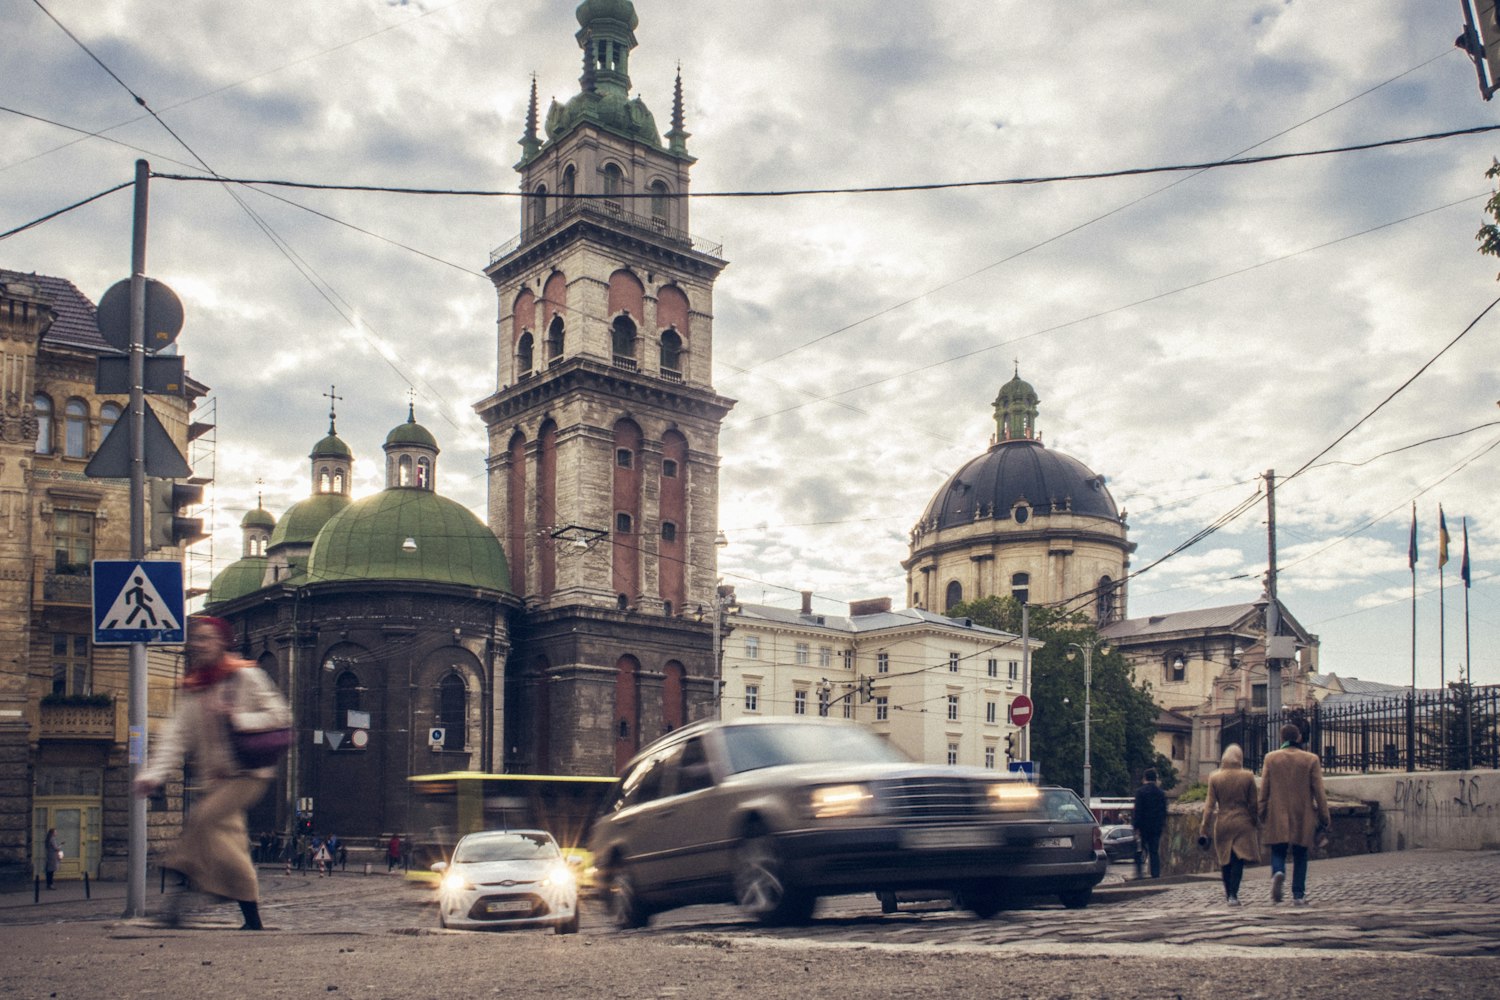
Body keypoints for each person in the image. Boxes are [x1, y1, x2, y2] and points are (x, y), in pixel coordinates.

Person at [132, 616, 290, 930]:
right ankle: (252, 920)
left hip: (248, 774)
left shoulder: (246, 677)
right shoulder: (194, 687)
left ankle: (183, 880)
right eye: (196, 639)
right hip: (215, 780)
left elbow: (281, 715)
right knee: (230, 845)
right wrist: (154, 773)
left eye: (206, 638)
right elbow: (175, 735)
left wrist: (239, 718)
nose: (199, 645)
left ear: (221, 641)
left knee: (201, 819)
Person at [1258, 721, 1330, 906]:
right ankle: (1298, 894)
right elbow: (1319, 792)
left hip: (1277, 812)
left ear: (1281, 738)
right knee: (1300, 854)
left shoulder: (1271, 758)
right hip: (1302, 812)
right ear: (1298, 737)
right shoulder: (1311, 759)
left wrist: (1261, 812)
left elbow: (1264, 790)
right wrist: (1324, 816)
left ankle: (1278, 872)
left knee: (1278, 849)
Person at [1198, 743, 1260, 906]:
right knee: (1238, 858)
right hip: (1242, 821)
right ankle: (1234, 893)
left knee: (1225, 858)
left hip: (1223, 821)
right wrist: (1255, 820)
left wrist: (1204, 827)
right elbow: (1254, 803)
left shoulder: (1215, 777)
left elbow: (1209, 805)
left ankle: (1228, 894)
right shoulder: (1247, 776)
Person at [1132, 768, 1168, 879]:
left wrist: (1136, 826)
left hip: (1143, 827)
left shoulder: (1140, 792)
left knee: (1139, 849)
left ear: (1145, 778)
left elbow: (1138, 811)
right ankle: (1155, 874)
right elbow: (1164, 811)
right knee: (1154, 851)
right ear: (1155, 779)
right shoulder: (1161, 793)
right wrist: (1162, 824)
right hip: (1156, 827)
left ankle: (1139, 873)